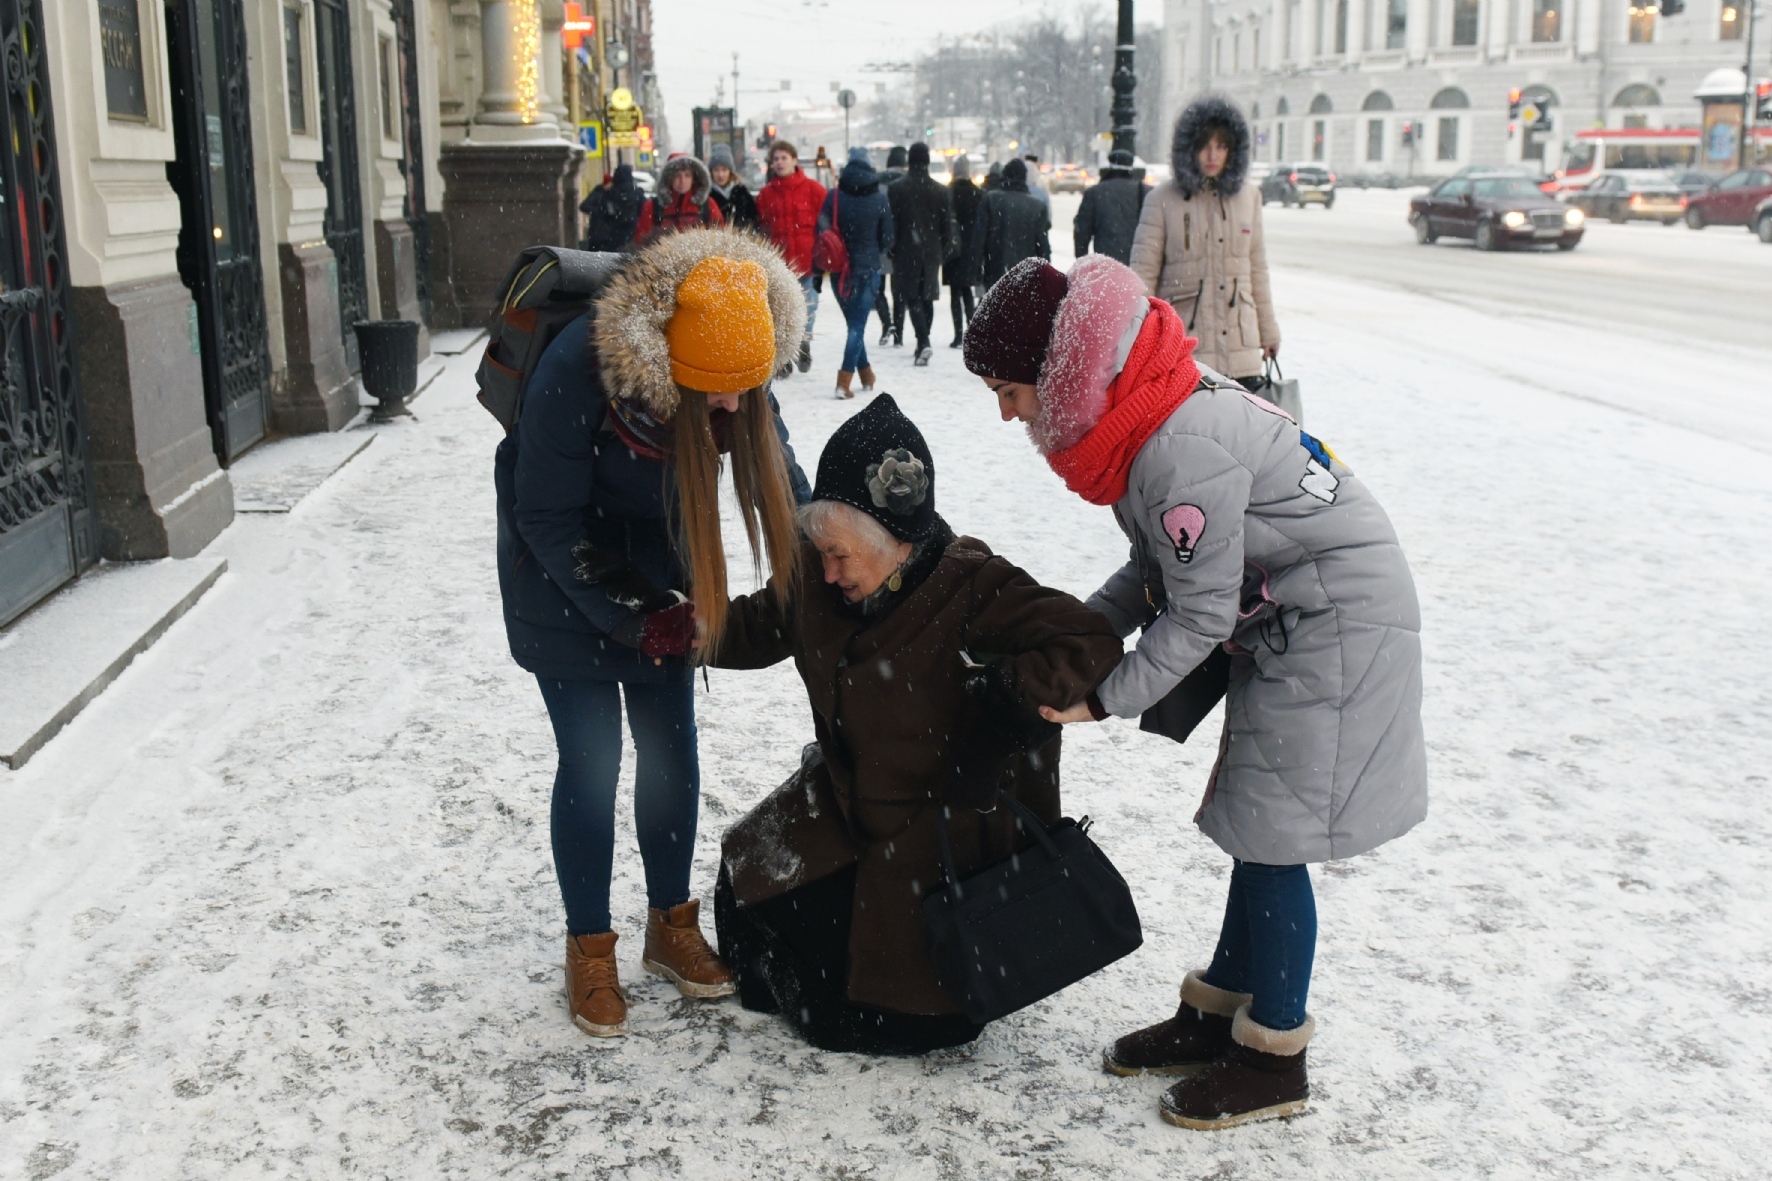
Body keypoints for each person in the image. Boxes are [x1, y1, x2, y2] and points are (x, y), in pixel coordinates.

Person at [962, 254, 1426, 1129]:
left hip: (1338, 624)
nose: (1006, 411)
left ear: (1057, 374)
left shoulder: (1177, 449)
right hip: (1292, 618)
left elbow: (1200, 610)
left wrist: (1104, 698)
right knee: (1257, 824)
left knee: (1273, 835)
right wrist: (1081, 641)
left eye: (1008, 388)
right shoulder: (1143, 410)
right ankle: (1219, 1015)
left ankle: (1272, 1056)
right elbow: (1155, 569)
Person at [710, 394, 1124, 1054]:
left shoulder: (973, 587)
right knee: (741, 900)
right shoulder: (821, 582)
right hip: (846, 812)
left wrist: (1000, 713)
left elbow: (1090, 640)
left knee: (878, 1015)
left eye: (842, 554)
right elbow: (756, 625)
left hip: (937, 845)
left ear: (898, 541)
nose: (827, 571)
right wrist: (679, 630)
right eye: (821, 550)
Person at [495, 227, 814, 1040]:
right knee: (594, 759)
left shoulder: (733, 358)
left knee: (672, 750)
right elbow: (544, 515)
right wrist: (632, 616)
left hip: (663, 560)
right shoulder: (579, 366)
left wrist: (846, 537)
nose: (736, 409)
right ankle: (589, 947)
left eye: (750, 388)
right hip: (562, 568)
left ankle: (670, 926)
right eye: (720, 394)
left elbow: (781, 472)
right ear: (673, 364)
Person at [1128, 95, 1278, 390]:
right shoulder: (1162, 200)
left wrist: (1268, 332)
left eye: (1221, 146)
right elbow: (1143, 276)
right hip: (1185, 348)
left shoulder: (1249, 197)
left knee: (1241, 433)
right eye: (1204, 145)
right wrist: (1141, 341)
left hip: (1241, 347)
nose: (1212, 155)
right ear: (1190, 148)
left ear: (1233, 151)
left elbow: (1257, 270)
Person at [817, 147, 893, 400]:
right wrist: (872, 250)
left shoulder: (835, 196)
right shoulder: (880, 198)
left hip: (840, 271)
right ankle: (843, 382)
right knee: (857, 327)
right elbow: (888, 238)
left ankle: (866, 375)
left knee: (854, 325)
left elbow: (822, 227)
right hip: (868, 269)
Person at [756, 139, 827, 375]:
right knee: (779, 311)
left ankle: (804, 343)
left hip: (808, 262)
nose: (779, 162)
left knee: (809, 307)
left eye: (784, 157)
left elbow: (825, 224)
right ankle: (784, 356)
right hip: (778, 264)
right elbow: (761, 228)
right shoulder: (766, 195)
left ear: (794, 160)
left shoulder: (814, 190)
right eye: (775, 159)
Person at [886, 143, 957, 366]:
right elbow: (947, 226)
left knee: (911, 296)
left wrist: (892, 247)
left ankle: (923, 340)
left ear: (910, 160)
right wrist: (943, 250)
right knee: (927, 297)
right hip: (932, 251)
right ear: (927, 161)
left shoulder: (897, 188)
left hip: (906, 250)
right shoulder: (940, 190)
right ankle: (922, 342)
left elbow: (892, 222)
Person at [971, 158, 1051, 289]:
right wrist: (1046, 276)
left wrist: (976, 269)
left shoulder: (991, 200)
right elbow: (1043, 245)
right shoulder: (1037, 206)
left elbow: (979, 239)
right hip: (1026, 275)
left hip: (996, 270)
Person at [1073, 149, 1151, 264]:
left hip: (1107, 263)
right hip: (1138, 261)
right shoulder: (1145, 191)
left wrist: (1081, 258)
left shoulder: (1095, 192)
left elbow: (1082, 230)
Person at [634, 152, 725, 242]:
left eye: (687, 175)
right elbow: (641, 241)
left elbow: (720, 237)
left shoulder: (707, 205)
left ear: (694, 179)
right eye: (677, 176)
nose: (682, 181)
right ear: (669, 178)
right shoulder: (653, 207)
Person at [944, 154, 983, 348]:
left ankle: (958, 333)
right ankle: (971, 330)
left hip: (953, 247)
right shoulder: (978, 193)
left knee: (955, 292)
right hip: (971, 248)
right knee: (968, 290)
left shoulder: (949, 192)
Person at [874, 145, 909, 347]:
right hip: (902, 243)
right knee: (899, 292)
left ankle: (887, 323)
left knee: (878, 289)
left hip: (880, 241)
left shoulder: (877, 182)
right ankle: (899, 332)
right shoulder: (909, 183)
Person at [580, 163, 644, 252]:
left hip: (612, 235)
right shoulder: (637, 193)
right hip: (632, 234)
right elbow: (643, 211)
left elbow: (604, 212)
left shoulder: (608, 193)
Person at [706, 143, 759, 231]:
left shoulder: (742, 194)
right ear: (711, 172)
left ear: (730, 171)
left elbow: (752, 221)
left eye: (724, 169)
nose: (720, 175)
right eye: (716, 170)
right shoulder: (706, 195)